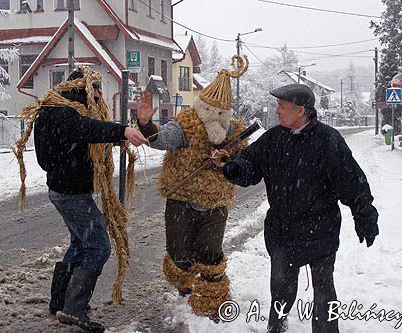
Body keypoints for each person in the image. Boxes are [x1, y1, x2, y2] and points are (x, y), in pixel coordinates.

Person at [221, 83, 379, 333]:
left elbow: (352, 183)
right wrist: (235, 168)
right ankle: (277, 329)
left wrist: (366, 217)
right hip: (283, 233)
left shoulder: (328, 141)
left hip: (321, 233)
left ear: (301, 111)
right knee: (281, 291)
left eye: (281, 107)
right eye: (277, 106)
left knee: (324, 294)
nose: (277, 111)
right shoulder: (273, 138)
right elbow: (249, 164)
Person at [20, 67, 147, 333]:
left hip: (63, 190)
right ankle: (74, 310)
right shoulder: (64, 113)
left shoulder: (54, 109)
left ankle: (60, 301)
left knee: (80, 243)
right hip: (71, 194)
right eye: (97, 89)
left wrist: (114, 139)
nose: (99, 95)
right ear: (84, 89)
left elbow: (79, 138)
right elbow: (85, 129)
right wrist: (121, 131)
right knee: (99, 247)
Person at [136, 56, 249, 321]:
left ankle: (212, 305)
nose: (216, 117)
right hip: (181, 199)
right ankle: (185, 286)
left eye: (222, 112)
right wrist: (145, 125)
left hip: (215, 203)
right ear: (203, 106)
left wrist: (228, 159)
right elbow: (161, 139)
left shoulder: (234, 132)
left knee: (210, 255)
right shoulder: (185, 124)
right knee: (179, 253)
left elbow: (244, 163)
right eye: (211, 110)